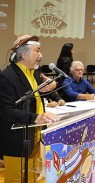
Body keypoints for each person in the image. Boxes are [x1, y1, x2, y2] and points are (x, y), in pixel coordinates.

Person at [0, 34, 59, 182]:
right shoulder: (7, 76)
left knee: (33, 178)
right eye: (37, 51)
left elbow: (36, 97)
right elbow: (6, 111)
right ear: (23, 54)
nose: (41, 55)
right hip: (16, 142)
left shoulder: (35, 74)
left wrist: (52, 85)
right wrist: (36, 118)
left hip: (34, 138)